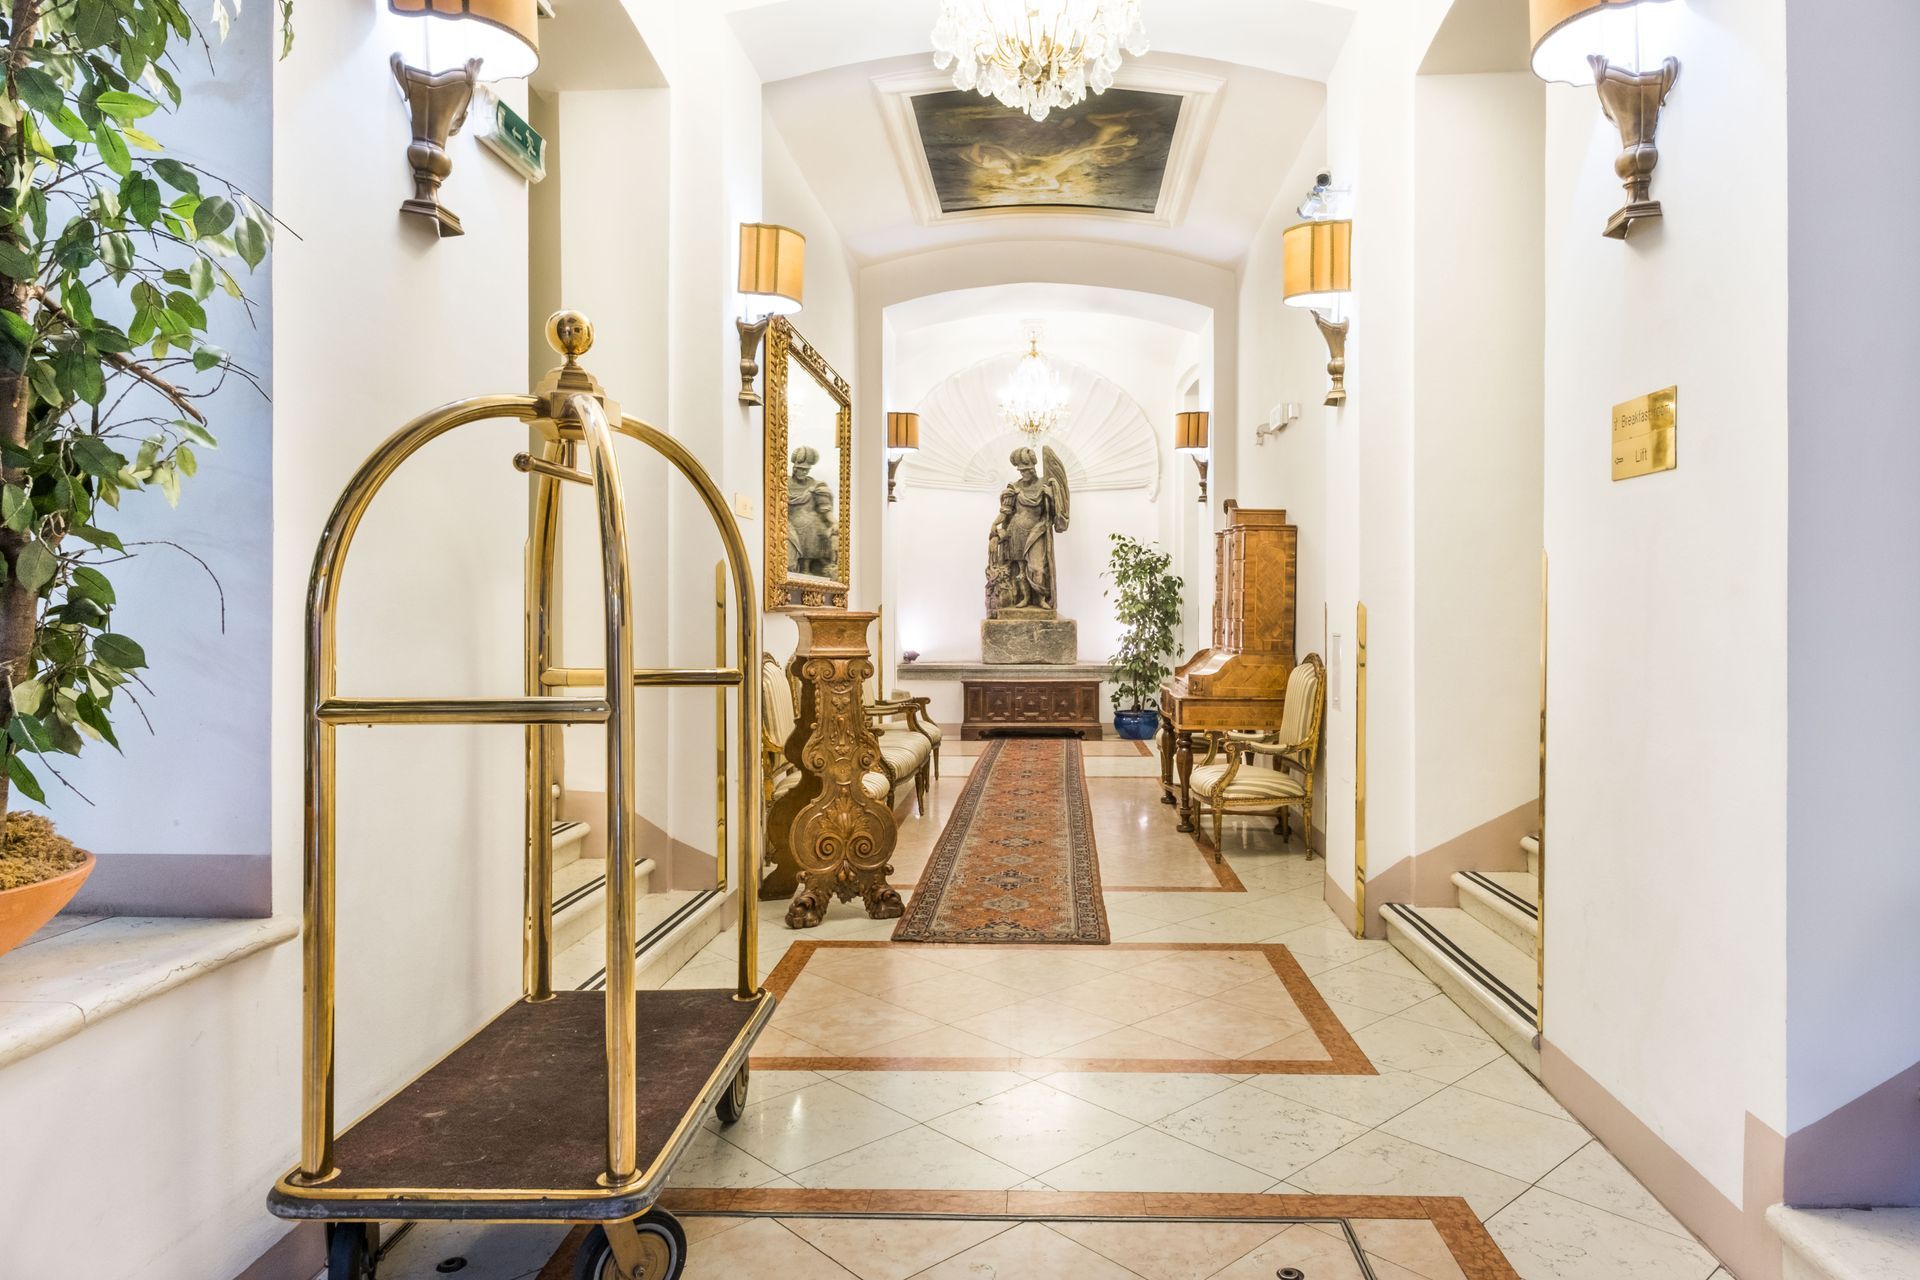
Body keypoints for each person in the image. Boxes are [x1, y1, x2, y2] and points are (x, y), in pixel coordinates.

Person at [990, 446, 1070, 610]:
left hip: (1037, 531)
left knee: (1037, 567)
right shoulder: (1014, 487)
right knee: (1020, 569)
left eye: (1026, 469)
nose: (1023, 473)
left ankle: (1040, 599)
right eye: (1021, 470)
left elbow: (1055, 511)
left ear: (1033, 468)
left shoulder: (1045, 484)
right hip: (1017, 532)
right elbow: (1005, 512)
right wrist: (995, 524)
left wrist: (1051, 495)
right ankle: (1025, 599)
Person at [787, 446, 836, 576]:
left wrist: (834, 523)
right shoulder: (784, 483)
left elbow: (825, 508)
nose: (803, 472)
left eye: (806, 470)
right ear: (795, 468)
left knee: (814, 523)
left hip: (811, 521)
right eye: (800, 469)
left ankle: (807, 567)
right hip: (790, 521)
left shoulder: (816, 485)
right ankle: (802, 566)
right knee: (808, 523)